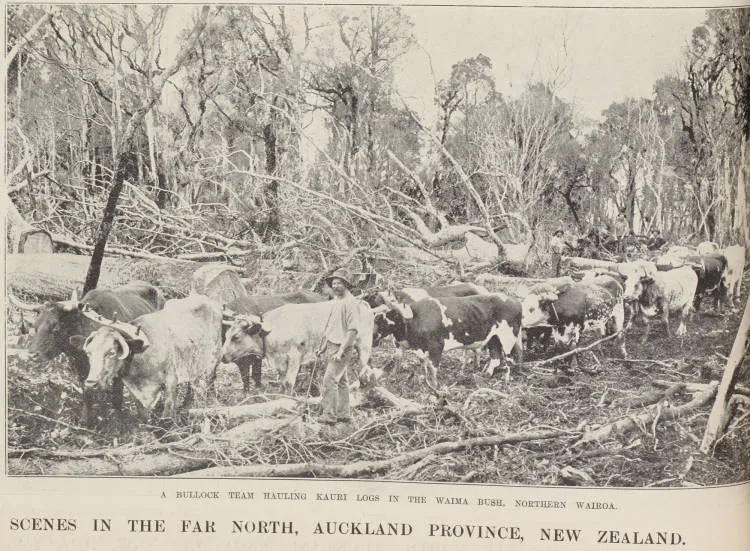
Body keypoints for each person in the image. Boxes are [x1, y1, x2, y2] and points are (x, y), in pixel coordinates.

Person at [318, 268, 360, 426]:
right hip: (331, 344)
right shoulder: (336, 301)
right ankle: (344, 414)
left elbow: (352, 330)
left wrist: (341, 351)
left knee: (329, 381)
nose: (335, 286)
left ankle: (329, 415)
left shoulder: (351, 303)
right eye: (333, 283)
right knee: (341, 381)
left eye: (339, 283)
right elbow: (331, 327)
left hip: (342, 347)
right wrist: (322, 347)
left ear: (346, 284)